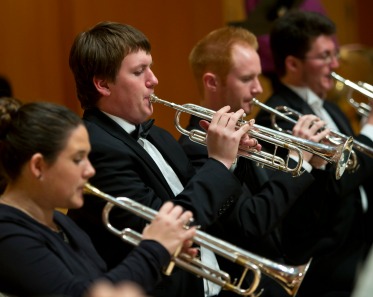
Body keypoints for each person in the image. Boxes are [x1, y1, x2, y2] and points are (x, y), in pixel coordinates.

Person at [67, 21, 260, 297]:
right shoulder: (95, 149)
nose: (153, 80)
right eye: (138, 71)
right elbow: (166, 226)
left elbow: (209, 213)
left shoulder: (159, 135)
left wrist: (232, 158)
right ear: (103, 84)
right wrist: (217, 163)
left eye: (150, 67)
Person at [180, 25, 332, 297]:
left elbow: (284, 214)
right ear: (212, 82)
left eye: (259, 77)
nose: (258, 89)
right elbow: (252, 222)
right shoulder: (194, 147)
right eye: (247, 78)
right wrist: (299, 160)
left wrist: (314, 165)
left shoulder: (250, 130)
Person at [0, 99, 198, 297]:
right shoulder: (7, 233)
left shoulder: (61, 222)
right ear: (38, 166)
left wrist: (163, 256)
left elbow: (104, 286)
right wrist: (155, 248)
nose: (90, 170)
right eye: (78, 159)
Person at [255, 10, 373, 297]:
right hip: (329, 261)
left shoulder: (330, 107)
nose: (335, 65)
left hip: (360, 243)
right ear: (293, 63)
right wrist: (370, 133)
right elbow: (338, 181)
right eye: (324, 57)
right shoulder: (278, 117)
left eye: (334, 54)